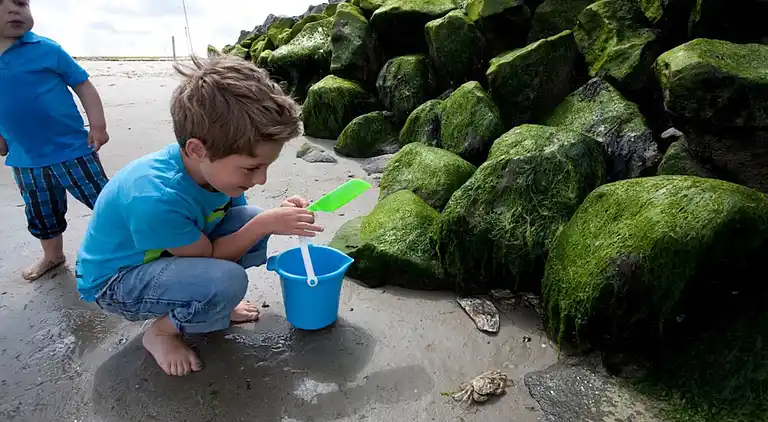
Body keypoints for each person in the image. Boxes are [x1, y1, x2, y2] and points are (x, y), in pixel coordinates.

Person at [75, 55, 323, 377]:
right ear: (197, 149)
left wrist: (276, 215)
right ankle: (162, 332)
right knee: (231, 274)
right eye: (251, 168)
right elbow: (210, 254)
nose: (261, 179)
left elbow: (234, 221)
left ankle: (208, 301)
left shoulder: (213, 170)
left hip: (166, 256)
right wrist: (267, 225)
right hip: (116, 281)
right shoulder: (155, 197)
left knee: (250, 216)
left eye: (266, 167)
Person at [0, 0, 110, 281]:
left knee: (105, 201)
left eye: (22, 3)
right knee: (41, 211)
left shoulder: (46, 49)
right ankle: (53, 255)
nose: (16, 10)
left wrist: (97, 125)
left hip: (73, 149)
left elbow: (82, 84)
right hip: (25, 158)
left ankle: (133, 245)